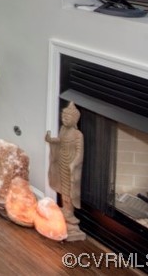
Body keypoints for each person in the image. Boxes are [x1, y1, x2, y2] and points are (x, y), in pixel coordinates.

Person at [45, 102, 86, 241]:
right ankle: (65, 209)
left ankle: (69, 213)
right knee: (63, 188)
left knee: (69, 189)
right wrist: (51, 140)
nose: (65, 119)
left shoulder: (78, 134)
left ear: (75, 119)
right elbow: (60, 141)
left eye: (68, 117)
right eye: (64, 116)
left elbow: (80, 153)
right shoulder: (63, 129)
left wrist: (74, 164)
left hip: (71, 166)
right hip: (62, 162)